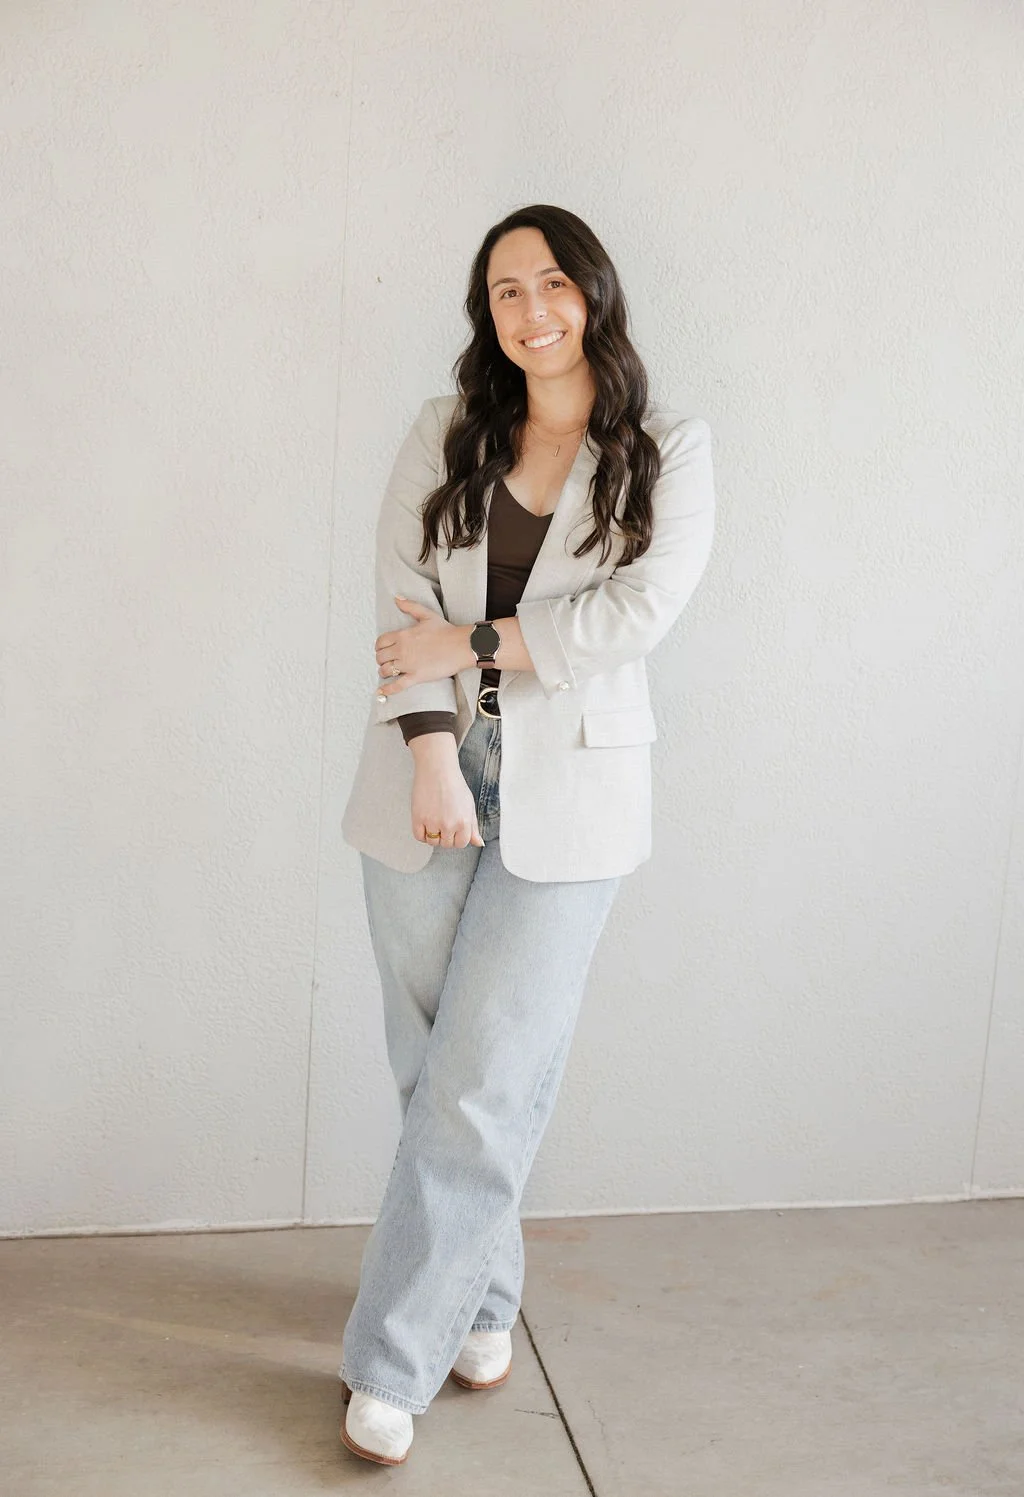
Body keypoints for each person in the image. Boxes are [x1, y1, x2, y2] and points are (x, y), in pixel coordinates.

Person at [338, 203, 716, 1465]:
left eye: (552, 282)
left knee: (484, 1080)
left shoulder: (667, 447)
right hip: (428, 766)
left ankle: (390, 1364)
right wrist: (433, 744)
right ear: (485, 316)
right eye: (505, 291)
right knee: (430, 1071)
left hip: (576, 787)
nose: (532, 308)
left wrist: (477, 642)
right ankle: (483, 1300)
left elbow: (634, 615)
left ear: (594, 295)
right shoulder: (445, 433)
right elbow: (399, 603)